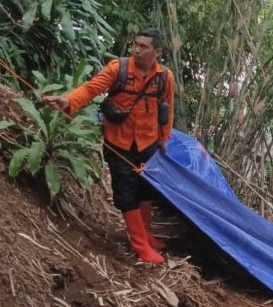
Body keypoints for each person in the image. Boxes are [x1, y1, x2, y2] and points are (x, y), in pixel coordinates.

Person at [45, 28, 175, 264]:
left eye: (143, 46)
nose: (136, 49)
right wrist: (68, 101)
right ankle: (140, 246)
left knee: (147, 189)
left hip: (148, 141)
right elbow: (91, 88)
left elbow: (167, 106)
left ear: (157, 51)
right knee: (127, 191)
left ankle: (147, 234)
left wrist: (164, 139)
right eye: (135, 44)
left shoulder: (165, 77)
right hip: (119, 141)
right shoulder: (119, 68)